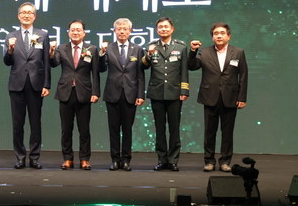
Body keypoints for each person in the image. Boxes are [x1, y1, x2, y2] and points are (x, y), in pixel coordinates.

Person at [188, 22, 248, 172]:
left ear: (229, 36)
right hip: (210, 96)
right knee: (209, 132)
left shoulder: (238, 52)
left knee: (227, 133)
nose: (219, 36)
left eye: (222, 33)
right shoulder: (204, 52)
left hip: (230, 97)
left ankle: (225, 161)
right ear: (212, 37)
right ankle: (209, 161)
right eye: (216, 33)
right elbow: (192, 66)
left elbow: (243, 76)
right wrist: (193, 51)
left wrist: (242, 97)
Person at [3, 2, 51, 169]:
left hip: (36, 84)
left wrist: (47, 84)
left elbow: (46, 61)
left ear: (34, 16)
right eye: (23, 12)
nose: (26, 15)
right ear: (18, 16)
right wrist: (10, 50)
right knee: (18, 124)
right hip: (17, 84)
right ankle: (20, 157)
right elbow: (7, 61)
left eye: (30, 12)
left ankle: (35, 157)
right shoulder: (10, 36)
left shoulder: (42, 35)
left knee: (35, 123)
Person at [50, 19, 100, 170]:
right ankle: (67, 158)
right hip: (66, 91)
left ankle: (84, 159)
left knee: (84, 129)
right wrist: (51, 52)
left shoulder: (92, 49)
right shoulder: (61, 48)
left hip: (84, 92)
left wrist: (96, 92)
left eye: (78, 30)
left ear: (84, 33)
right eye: (72, 30)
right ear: (68, 33)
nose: (75, 32)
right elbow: (54, 63)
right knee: (66, 129)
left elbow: (95, 73)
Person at [141, 17, 189, 172]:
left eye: (166, 27)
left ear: (172, 29)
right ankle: (162, 159)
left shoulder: (181, 47)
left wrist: (184, 90)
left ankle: (173, 160)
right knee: (159, 129)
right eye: (160, 27)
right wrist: (148, 55)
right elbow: (144, 66)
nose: (163, 29)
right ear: (157, 30)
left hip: (175, 92)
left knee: (174, 128)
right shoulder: (151, 46)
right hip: (157, 92)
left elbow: (184, 70)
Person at [99, 18, 145, 171]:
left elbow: (140, 74)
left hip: (130, 94)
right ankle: (114, 159)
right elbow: (101, 68)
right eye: (119, 29)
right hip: (112, 94)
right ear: (114, 31)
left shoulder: (137, 49)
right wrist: (101, 54)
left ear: (130, 31)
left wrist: (140, 94)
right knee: (113, 129)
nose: (122, 31)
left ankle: (126, 159)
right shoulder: (109, 48)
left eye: (125, 29)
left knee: (127, 129)